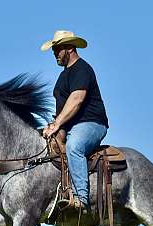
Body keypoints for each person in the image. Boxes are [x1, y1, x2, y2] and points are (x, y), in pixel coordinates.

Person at [41, 30, 109, 212]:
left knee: (74, 147)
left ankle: (81, 198)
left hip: (92, 124)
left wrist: (57, 124)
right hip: (70, 126)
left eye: (57, 49)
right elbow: (63, 108)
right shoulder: (63, 75)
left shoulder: (83, 69)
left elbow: (76, 100)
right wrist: (53, 127)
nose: (54, 53)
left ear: (70, 48)